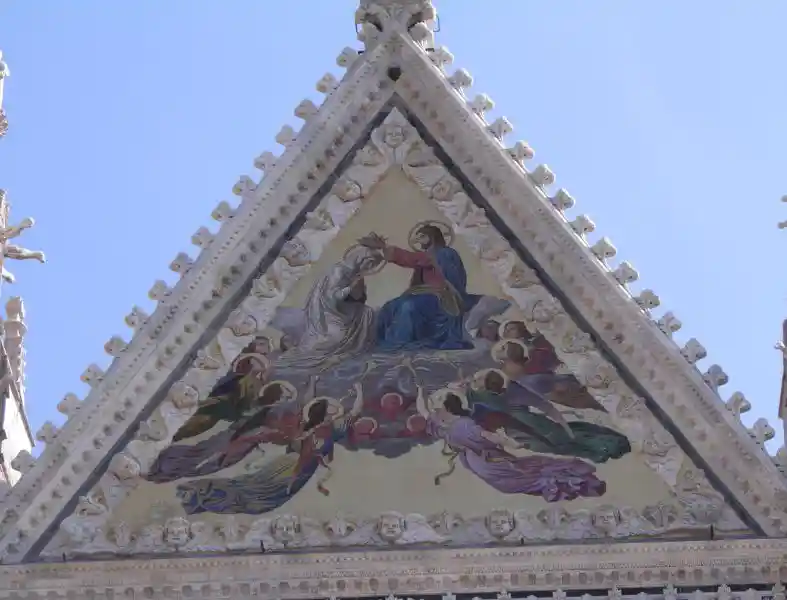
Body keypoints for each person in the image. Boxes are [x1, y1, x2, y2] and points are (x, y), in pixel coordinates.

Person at [415, 385, 606, 502]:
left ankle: (570, 482)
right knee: (513, 479)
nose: (434, 405)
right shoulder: (439, 423)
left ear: (447, 407)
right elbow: (422, 409)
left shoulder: (465, 424)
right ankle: (561, 482)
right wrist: (420, 391)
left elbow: (488, 436)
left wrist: (510, 443)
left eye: (438, 401)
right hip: (476, 461)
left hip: (490, 461)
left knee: (514, 479)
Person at [359, 224, 480, 350]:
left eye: (422, 236)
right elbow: (417, 260)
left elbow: (412, 259)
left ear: (432, 237)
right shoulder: (427, 255)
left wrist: (383, 247)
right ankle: (381, 342)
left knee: (409, 306)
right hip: (423, 293)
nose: (418, 240)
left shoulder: (445, 253)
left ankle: (399, 342)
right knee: (390, 306)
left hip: (442, 297)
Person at [274, 244, 384, 370]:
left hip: (344, 311)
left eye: (372, 267)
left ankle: (358, 350)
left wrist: (359, 291)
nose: (368, 269)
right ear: (361, 259)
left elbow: (359, 300)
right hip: (328, 314)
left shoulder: (354, 274)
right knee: (334, 338)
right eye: (369, 265)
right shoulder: (338, 271)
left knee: (367, 313)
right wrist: (351, 288)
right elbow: (333, 297)